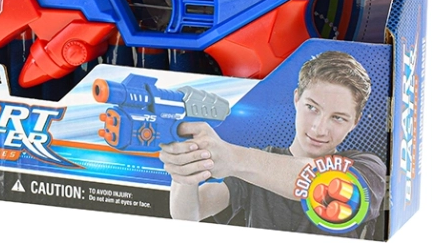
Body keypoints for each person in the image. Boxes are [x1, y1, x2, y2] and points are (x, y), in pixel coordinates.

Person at [159, 51, 386, 238]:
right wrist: (184, 166)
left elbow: (327, 185)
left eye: (337, 118)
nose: (319, 128)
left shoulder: (367, 168)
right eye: (312, 107)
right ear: (296, 99)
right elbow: (189, 214)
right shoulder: (255, 165)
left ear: (355, 122)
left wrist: (233, 157)